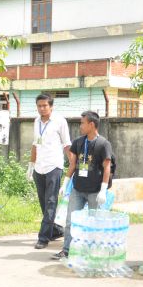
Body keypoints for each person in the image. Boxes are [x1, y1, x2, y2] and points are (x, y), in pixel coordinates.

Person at [52, 111, 112, 260]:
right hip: (77, 190)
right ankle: (67, 250)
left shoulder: (103, 144)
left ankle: (94, 252)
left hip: (95, 191)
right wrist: (65, 183)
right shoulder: (78, 142)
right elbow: (73, 164)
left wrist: (103, 190)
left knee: (95, 222)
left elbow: (107, 167)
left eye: (82, 123)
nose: (80, 126)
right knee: (70, 221)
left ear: (91, 124)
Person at [26, 93, 72, 249]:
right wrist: (31, 165)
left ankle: (43, 238)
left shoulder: (60, 121)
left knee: (51, 201)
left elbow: (67, 144)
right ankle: (55, 231)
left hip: (54, 166)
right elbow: (35, 144)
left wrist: (72, 166)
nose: (42, 108)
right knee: (43, 203)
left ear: (51, 106)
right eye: (39, 106)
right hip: (39, 167)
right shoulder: (36, 121)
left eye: (45, 105)